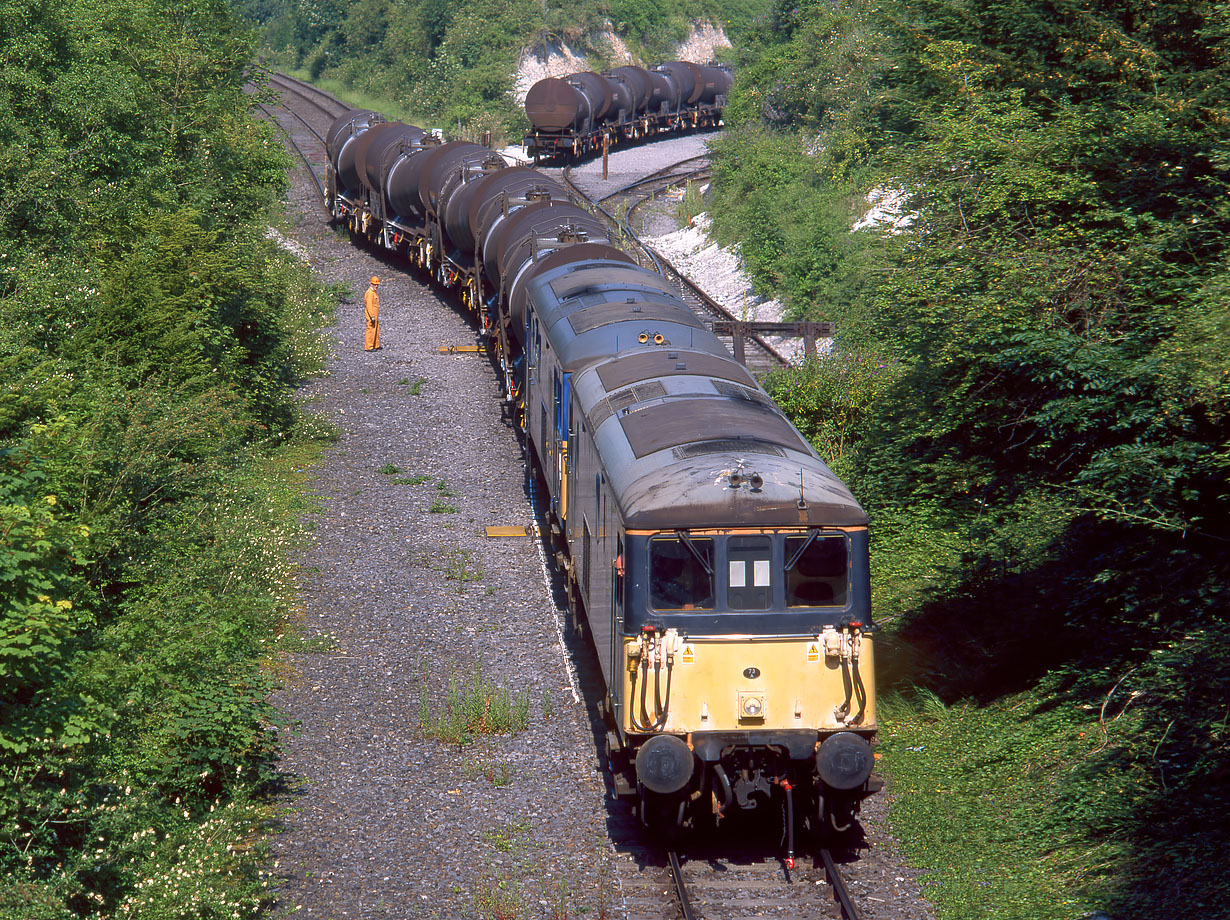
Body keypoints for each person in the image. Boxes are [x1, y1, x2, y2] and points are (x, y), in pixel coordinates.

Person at [364, 276, 381, 350]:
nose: (376, 286)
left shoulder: (373, 292)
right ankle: (369, 347)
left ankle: (375, 345)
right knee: (371, 330)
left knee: (376, 330)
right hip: (372, 316)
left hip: (375, 315)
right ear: (371, 284)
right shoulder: (370, 293)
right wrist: (372, 316)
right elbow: (369, 306)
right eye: (374, 284)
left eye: (377, 285)